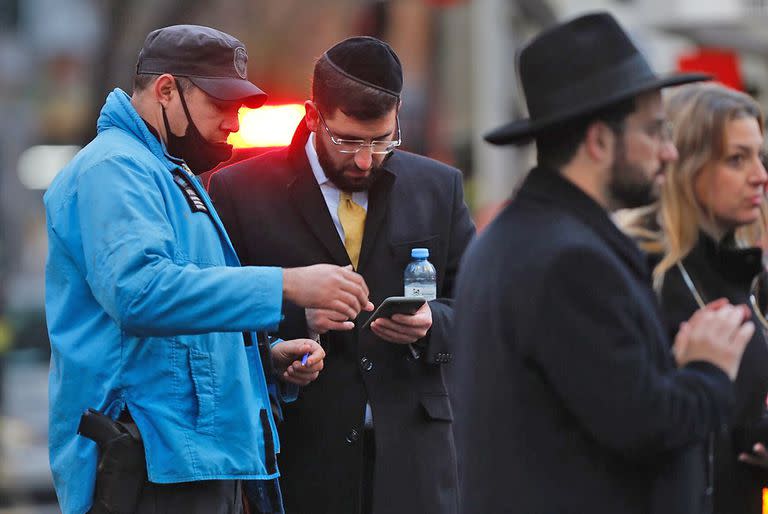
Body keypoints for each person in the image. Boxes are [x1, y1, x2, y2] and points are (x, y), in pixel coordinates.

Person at [44, 25, 370, 514]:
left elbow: (177, 329)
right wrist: (289, 284)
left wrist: (266, 360)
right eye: (221, 105)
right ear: (167, 90)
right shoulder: (113, 169)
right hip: (149, 465)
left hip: (181, 460)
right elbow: (141, 294)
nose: (232, 124)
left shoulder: (164, 172)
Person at [450, 12, 756, 514]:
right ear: (598, 141)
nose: (670, 151)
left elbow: (591, 403)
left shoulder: (518, 238)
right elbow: (643, 424)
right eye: (655, 131)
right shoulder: (569, 260)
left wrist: (672, 365)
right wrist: (709, 369)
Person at [208, 36, 475, 514]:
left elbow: (479, 308)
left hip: (415, 465)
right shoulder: (239, 191)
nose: (366, 159)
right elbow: (214, 319)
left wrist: (431, 324)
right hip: (300, 461)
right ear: (313, 116)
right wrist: (289, 332)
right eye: (348, 140)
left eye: (382, 141)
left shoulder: (438, 187)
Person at [650, 83, 768, 514]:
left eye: (759, 155)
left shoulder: (748, 276)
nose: (760, 175)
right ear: (686, 164)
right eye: (736, 159)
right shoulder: (645, 276)